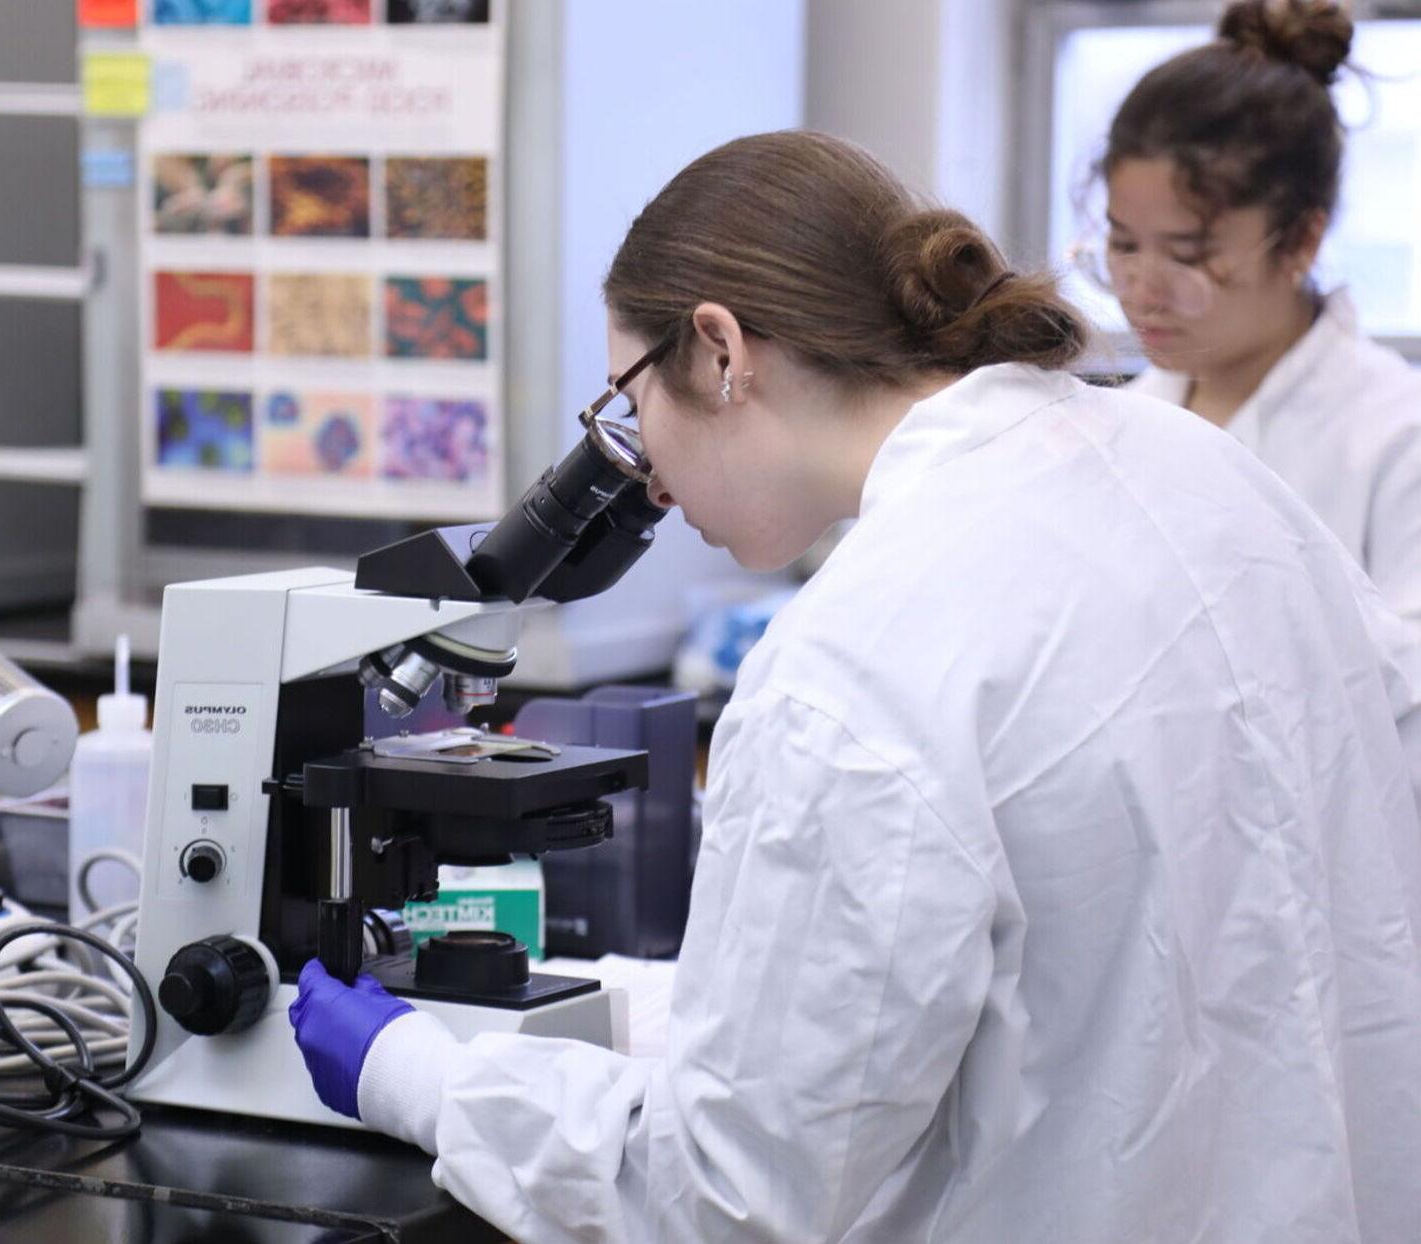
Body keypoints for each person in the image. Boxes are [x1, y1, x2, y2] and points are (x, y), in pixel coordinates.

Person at [286, 128, 1421, 1243]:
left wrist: (416, 1077)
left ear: (721, 351)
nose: (654, 479)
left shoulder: (855, 655)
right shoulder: (1191, 464)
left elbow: (725, 1198)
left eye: (633, 403)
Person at [1087, 0, 1421, 632]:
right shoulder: (1125, 423)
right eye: (1124, 245)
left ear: (1300, 242)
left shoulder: (1397, 440)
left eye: (1190, 254)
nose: (1143, 293)